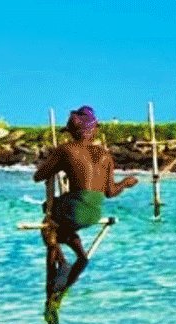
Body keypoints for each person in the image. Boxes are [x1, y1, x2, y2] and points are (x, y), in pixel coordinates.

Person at [32, 106, 137, 298]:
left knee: (49, 222)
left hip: (74, 209)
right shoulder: (105, 155)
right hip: (94, 212)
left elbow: (38, 176)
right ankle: (81, 257)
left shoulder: (65, 150)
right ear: (93, 130)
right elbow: (111, 192)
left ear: (71, 132)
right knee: (65, 227)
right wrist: (126, 183)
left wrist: (52, 162)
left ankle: (63, 263)